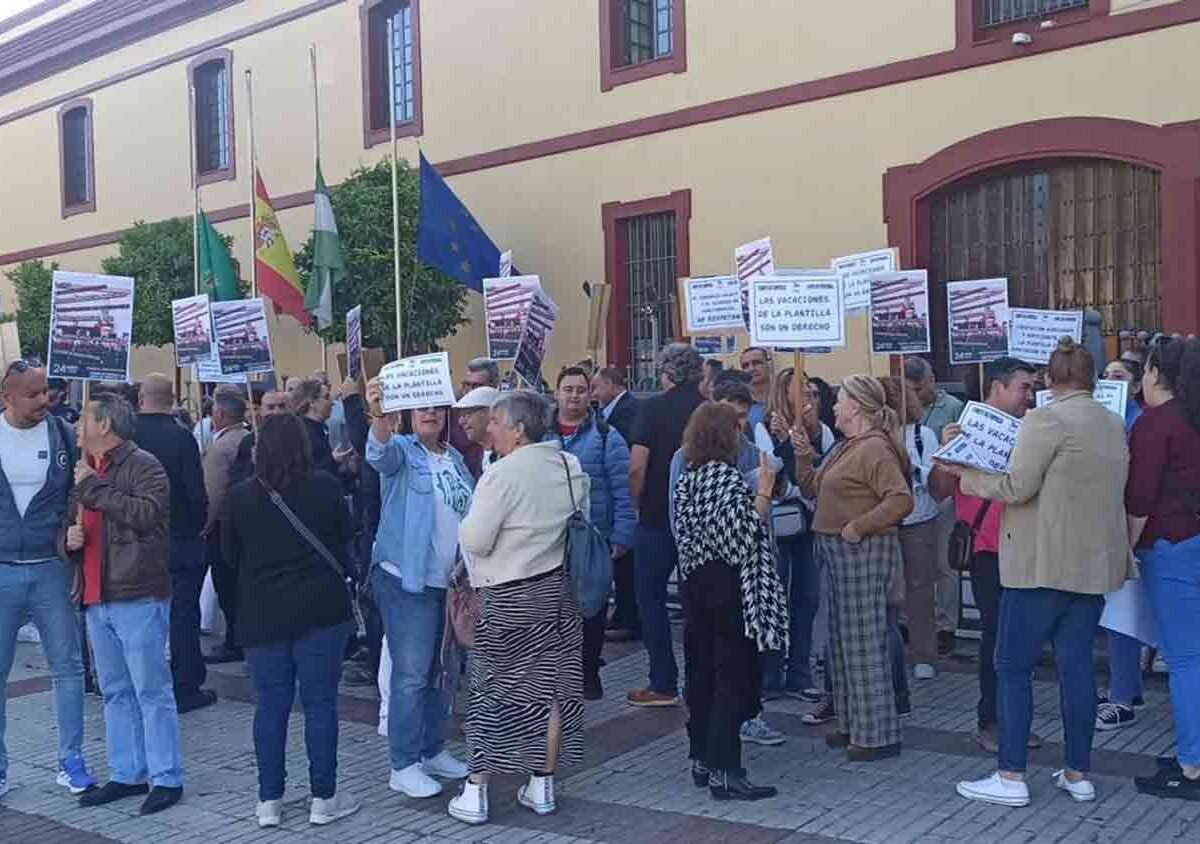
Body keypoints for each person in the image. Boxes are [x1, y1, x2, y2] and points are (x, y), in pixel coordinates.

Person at [946, 339, 1130, 808]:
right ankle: (1078, 772)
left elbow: (1016, 486)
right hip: (1092, 568)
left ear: (1050, 380)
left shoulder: (1045, 420)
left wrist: (966, 475)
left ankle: (1010, 775)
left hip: (1039, 567)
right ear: (1091, 380)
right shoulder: (1112, 423)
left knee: (1012, 667)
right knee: (1077, 671)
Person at [449, 391, 590, 825]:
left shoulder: (502, 474)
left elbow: (474, 539)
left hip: (509, 594)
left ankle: (476, 791)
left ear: (518, 429)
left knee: (493, 693)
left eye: (496, 421)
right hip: (557, 592)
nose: (489, 428)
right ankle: (542, 786)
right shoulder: (570, 466)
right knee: (550, 691)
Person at [222, 414, 360, 827]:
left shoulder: (240, 496)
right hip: (320, 610)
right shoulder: (325, 486)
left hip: (263, 613)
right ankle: (323, 797)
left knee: (271, 707)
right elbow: (344, 537)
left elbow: (229, 556)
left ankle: (269, 800)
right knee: (320, 705)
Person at [64, 391, 184, 815]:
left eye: (84, 419)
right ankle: (127, 772)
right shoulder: (86, 469)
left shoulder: (143, 465)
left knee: (151, 689)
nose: (78, 425)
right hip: (96, 594)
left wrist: (93, 488)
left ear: (104, 425)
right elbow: (71, 526)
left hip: (136, 592)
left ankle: (166, 777)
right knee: (114, 691)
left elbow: (147, 514)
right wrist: (68, 542)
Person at [793, 375, 913, 761]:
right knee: (844, 646)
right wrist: (802, 456)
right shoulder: (849, 446)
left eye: (840, 401)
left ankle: (876, 735)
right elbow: (812, 488)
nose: (833, 407)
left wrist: (858, 526)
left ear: (857, 408)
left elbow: (900, 500)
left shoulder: (874, 448)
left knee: (863, 647)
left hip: (861, 553)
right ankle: (852, 725)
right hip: (839, 552)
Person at [673, 402, 788, 800]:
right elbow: (739, 539)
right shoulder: (721, 476)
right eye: (737, 429)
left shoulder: (691, 473)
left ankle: (703, 757)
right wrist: (763, 494)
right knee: (732, 676)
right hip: (726, 586)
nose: (742, 437)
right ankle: (726, 769)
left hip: (698, 583)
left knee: (703, 674)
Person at [365, 379, 474, 799]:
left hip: (449, 584)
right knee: (411, 675)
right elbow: (378, 454)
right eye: (422, 408)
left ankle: (432, 750)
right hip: (406, 580)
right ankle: (403, 763)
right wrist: (378, 414)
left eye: (436, 407)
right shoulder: (403, 452)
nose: (430, 413)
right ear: (409, 414)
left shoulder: (455, 459)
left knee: (441, 672)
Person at [928, 357, 1039, 754]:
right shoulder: (964, 429)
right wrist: (946, 450)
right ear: (997, 386)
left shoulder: (1035, 429)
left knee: (1021, 637)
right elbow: (938, 489)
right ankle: (990, 720)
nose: (1031, 395)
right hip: (987, 549)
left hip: (1026, 545)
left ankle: (1015, 720)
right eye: (1023, 387)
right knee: (996, 636)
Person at [0, 361, 97, 799]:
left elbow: (74, 496)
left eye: (47, 392)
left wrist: (72, 534)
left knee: (69, 668)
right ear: (8, 398)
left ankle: (71, 760)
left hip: (50, 570)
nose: (46, 400)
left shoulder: (62, 434)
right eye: (34, 394)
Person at [1127, 339, 1200, 798]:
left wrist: (1124, 551)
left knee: (1187, 659)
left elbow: (1139, 499)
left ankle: (1191, 762)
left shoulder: (1156, 425)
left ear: (1155, 373)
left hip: (1170, 546)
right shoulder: (1192, 418)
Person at [626, 344, 706, 707]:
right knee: (698, 604)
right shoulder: (710, 411)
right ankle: (701, 680)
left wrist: (637, 505)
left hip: (657, 518)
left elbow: (637, 466)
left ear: (666, 374)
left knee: (651, 599)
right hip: (701, 521)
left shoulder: (651, 408)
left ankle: (663, 682)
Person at [550, 367, 635, 700]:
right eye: (567, 389)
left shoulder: (606, 436)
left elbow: (621, 487)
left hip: (593, 537)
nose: (573, 396)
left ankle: (587, 671)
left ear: (591, 395)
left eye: (581, 390)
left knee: (593, 607)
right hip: (549, 536)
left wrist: (623, 535)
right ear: (556, 393)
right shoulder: (540, 435)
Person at [134, 374, 213, 714]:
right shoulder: (182, 439)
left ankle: (142, 680)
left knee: (140, 614)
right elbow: (196, 494)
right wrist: (195, 526)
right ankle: (185, 683)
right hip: (178, 539)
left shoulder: (127, 435)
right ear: (173, 398)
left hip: (135, 540)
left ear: (140, 399)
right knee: (183, 613)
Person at [1094, 356, 1147, 732]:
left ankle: (1122, 698)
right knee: (1117, 613)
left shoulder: (1139, 423)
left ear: (1138, 384)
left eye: (1120, 376)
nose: (1110, 381)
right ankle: (1127, 687)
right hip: (1108, 524)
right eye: (1106, 376)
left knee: (1122, 612)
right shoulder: (1099, 422)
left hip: (1134, 529)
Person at [879, 376, 942, 680]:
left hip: (918, 517)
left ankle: (924, 653)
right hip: (884, 519)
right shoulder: (874, 435)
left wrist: (912, 468)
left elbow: (933, 474)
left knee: (920, 588)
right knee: (886, 587)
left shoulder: (922, 434)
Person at [202, 389, 251, 664]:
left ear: (220, 414)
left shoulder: (221, 447)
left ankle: (234, 640)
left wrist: (206, 526)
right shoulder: (247, 438)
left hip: (223, 528)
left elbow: (214, 492)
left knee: (228, 587)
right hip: (245, 527)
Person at [592, 366, 641, 640]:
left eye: (596, 388)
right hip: (610, 508)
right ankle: (622, 615)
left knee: (625, 567)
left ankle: (627, 618)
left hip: (618, 504)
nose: (593, 395)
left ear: (611, 384)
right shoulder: (609, 412)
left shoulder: (627, 411)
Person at [231, 390, 292, 486]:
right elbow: (238, 478)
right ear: (263, 410)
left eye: (282, 406)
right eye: (271, 407)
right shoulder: (248, 441)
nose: (276, 412)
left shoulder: (301, 435)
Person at [453, 386, 501, 478]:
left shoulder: (509, 455)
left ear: (490, 413)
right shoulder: (471, 460)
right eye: (460, 415)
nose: (461, 422)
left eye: (467, 414)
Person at [292, 378, 336, 476]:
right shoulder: (303, 433)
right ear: (312, 403)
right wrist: (333, 459)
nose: (332, 402)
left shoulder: (319, 427)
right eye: (327, 397)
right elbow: (310, 471)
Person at [1103, 357, 1144, 431]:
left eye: (1118, 377)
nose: (1108, 381)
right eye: (1105, 376)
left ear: (1136, 387)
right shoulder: (1097, 414)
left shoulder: (1141, 421)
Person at [740, 347, 773, 432]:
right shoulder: (739, 403)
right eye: (745, 366)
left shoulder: (783, 397)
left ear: (769, 365)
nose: (751, 369)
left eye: (757, 363)